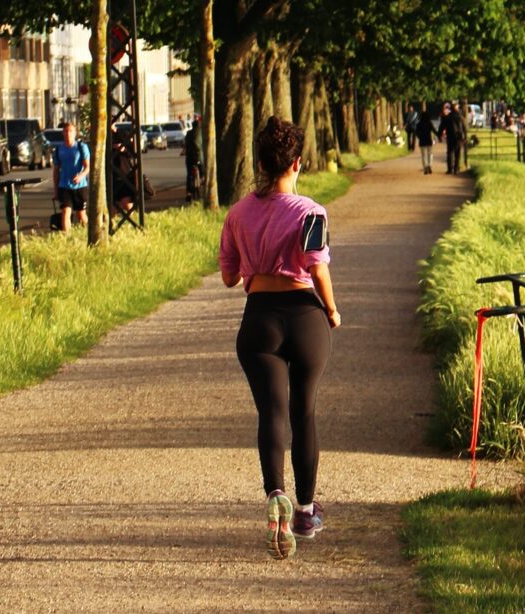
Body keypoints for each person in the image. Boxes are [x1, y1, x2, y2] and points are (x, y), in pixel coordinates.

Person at [218, 116, 340, 559]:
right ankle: (306, 512)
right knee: (303, 411)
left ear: (262, 163)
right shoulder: (310, 212)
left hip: (259, 320)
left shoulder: (237, 214)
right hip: (304, 317)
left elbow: (230, 277)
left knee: (270, 412)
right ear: (297, 163)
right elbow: (316, 266)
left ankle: (276, 495)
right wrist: (331, 310)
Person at [51, 122, 89, 232]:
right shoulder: (59, 150)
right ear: (63, 133)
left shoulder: (81, 147)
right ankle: (67, 239)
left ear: (75, 133)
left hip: (80, 187)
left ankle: (87, 235)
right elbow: (56, 171)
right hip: (64, 186)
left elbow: (87, 167)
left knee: (81, 214)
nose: (68, 133)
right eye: (66, 131)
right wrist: (56, 190)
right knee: (65, 213)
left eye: (71, 131)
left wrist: (81, 176)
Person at [438, 102, 466, 174]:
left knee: (450, 152)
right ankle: (456, 169)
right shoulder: (460, 117)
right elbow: (464, 127)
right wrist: (465, 136)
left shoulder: (447, 117)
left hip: (450, 136)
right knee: (458, 153)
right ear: (456, 108)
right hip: (459, 137)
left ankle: (450, 169)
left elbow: (442, 127)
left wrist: (439, 135)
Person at [182, 118, 203, 202]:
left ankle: (188, 193)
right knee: (202, 169)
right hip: (198, 156)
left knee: (189, 174)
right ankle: (203, 178)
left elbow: (186, 144)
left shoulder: (188, 133)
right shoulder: (201, 133)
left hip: (189, 157)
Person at [414, 109, 440, 174]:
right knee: (430, 154)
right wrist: (439, 135)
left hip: (422, 141)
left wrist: (419, 137)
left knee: (423, 155)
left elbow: (416, 132)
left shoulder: (419, 124)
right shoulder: (429, 123)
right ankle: (429, 165)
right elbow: (434, 130)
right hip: (428, 140)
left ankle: (425, 167)